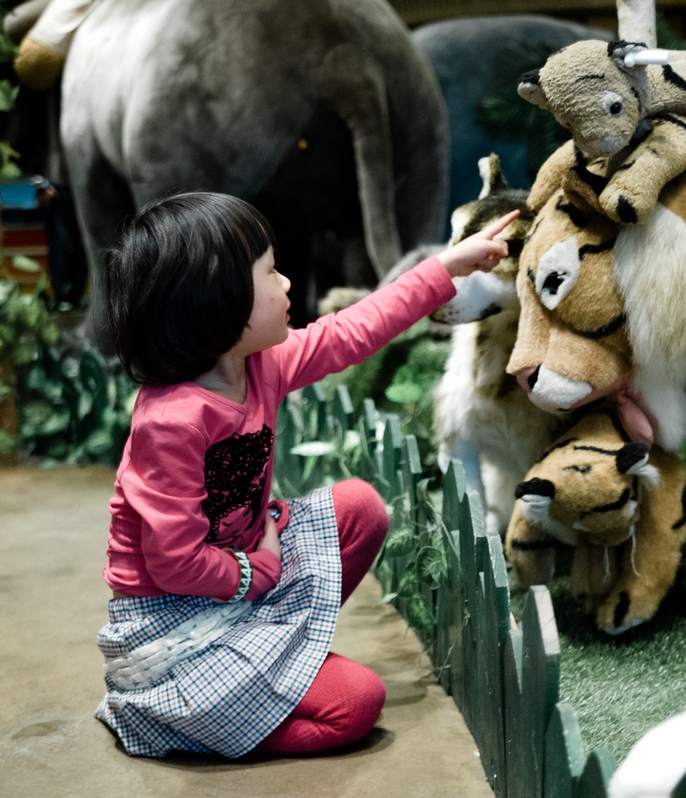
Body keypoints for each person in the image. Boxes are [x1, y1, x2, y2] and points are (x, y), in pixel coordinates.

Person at [94, 191, 517, 758]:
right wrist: (262, 571)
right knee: (356, 704)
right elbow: (174, 563)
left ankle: (270, 663)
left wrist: (445, 268)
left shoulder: (258, 364)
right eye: (270, 273)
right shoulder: (170, 422)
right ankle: (181, 718)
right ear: (217, 303)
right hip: (175, 621)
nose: (288, 284)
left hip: (243, 578)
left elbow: (351, 332)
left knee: (361, 509)